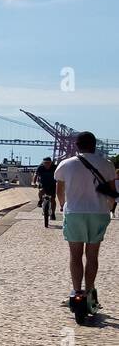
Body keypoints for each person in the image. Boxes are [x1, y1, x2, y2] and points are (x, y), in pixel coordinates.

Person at [54, 131, 117, 306]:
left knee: (75, 255)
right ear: (94, 145)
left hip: (74, 213)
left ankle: (76, 292)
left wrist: (62, 205)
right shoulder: (107, 164)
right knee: (92, 255)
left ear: (76, 145)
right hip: (99, 213)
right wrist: (110, 208)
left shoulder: (65, 164)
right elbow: (112, 193)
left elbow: (59, 190)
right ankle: (90, 293)